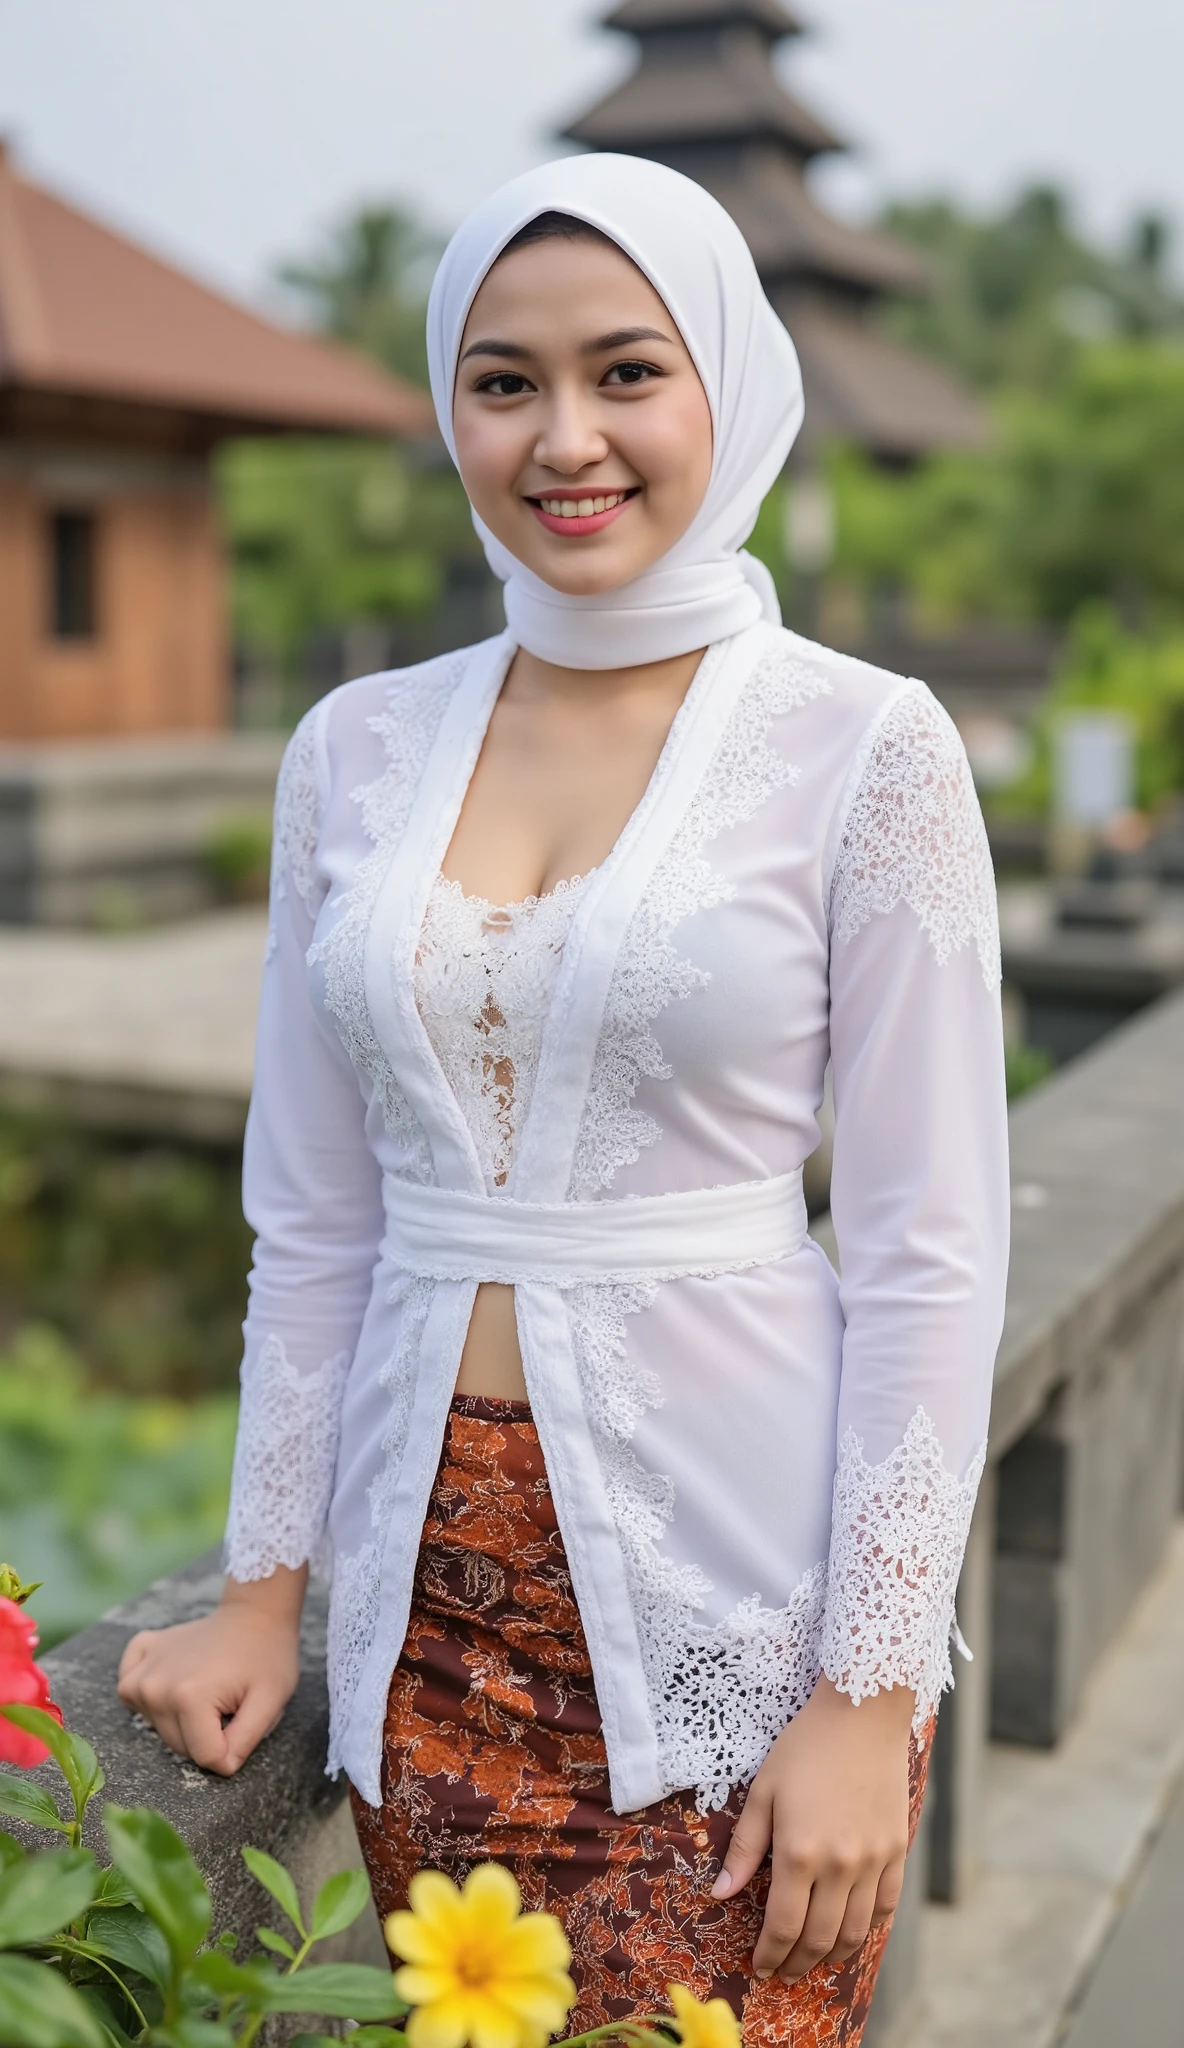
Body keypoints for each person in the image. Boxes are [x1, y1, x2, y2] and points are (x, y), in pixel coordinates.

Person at [117, 154, 1009, 2045]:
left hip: (746, 1626)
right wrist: (265, 1592)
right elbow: (318, 1216)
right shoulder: (353, 747)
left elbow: (931, 1249)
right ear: (451, 407)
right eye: (504, 381)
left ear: (728, 392)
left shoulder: (867, 746)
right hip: (422, 1616)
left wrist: (868, 1695)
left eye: (627, 371)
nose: (565, 437)